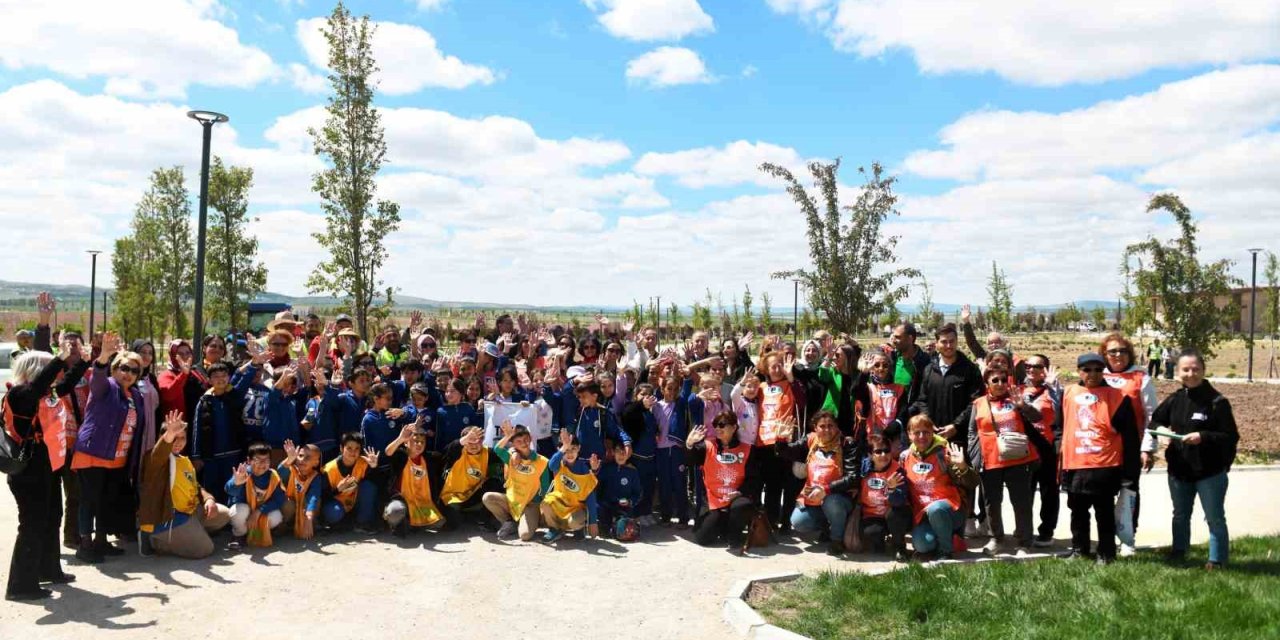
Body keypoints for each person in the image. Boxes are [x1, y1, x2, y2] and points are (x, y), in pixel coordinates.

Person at [4, 331, 85, 601]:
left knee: (52, 517)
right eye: (53, 368)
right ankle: (20, 586)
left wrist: (86, 360)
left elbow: (67, 385)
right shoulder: (20, 394)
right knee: (32, 523)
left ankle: (49, 570)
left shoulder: (45, 394)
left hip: (46, 466)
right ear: (38, 371)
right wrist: (60, 357)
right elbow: (39, 387)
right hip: (27, 471)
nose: (59, 373)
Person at [1150, 350, 1238, 569]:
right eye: (1185, 369)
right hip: (1179, 470)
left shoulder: (1217, 402)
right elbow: (1154, 422)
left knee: (1214, 517)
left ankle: (1216, 560)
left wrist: (1203, 436)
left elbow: (1230, 436)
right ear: (1178, 372)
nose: (1191, 374)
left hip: (1210, 472)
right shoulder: (1175, 399)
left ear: (1203, 371)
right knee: (1180, 515)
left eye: (1195, 369)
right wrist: (1161, 432)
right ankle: (1180, 551)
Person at [72, 332, 146, 564]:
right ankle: (85, 544)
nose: (129, 374)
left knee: (106, 501)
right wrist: (103, 357)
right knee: (89, 501)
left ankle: (101, 541)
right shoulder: (106, 386)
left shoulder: (134, 394)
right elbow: (97, 379)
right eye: (124, 368)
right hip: (93, 454)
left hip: (117, 459)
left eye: (135, 371)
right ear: (114, 369)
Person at [1061, 353, 1139, 565]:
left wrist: (1130, 470)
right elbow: (1060, 426)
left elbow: (1130, 436)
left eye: (1097, 369)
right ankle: (1079, 549)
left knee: (1103, 512)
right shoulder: (1068, 393)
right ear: (1079, 371)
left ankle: (1106, 553)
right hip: (1075, 464)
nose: (1092, 374)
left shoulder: (1117, 396)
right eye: (1087, 369)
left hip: (1105, 464)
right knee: (1077, 511)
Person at [958, 368, 1046, 555]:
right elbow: (972, 431)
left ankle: (1024, 541)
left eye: (1003, 380)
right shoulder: (978, 403)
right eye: (995, 380)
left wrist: (1022, 406)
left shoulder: (1017, 398)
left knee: (1021, 502)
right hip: (990, 461)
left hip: (1018, 459)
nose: (1000, 384)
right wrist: (975, 456)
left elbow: (1038, 418)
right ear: (987, 383)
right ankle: (996, 538)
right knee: (992, 502)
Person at [910, 323, 984, 536]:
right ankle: (937, 522)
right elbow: (922, 399)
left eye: (952, 341)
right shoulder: (929, 369)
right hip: (932, 437)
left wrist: (956, 425)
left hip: (959, 437)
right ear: (937, 343)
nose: (949, 345)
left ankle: (966, 520)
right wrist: (929, 424)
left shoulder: (968, 369)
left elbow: (975, 402)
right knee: (936, 479)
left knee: (962, 478)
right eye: (944, 341)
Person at [138, 410, 233, 559]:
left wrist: (209, 499)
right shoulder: (155, 459)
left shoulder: (185, 460)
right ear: (162, 437)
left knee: (225, 515)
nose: (178, 441)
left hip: (190, 511)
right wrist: (169, 435)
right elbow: (159, 453)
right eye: (174, 437)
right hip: (169, 517)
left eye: (182, 437)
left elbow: (197, 487)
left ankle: (189, 533)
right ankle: (154, 540)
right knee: (205, 549)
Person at [1097, 332, 1158, 556]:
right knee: (1103, 493)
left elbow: (1152, 415)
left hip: (1131, 446)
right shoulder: (1096, 375)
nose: (1118, 355)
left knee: (1129, 492)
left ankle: (1127, 539)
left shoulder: (1140, 377)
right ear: (1104, 354)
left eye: (1122, 350)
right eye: (1112, 351)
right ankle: (1105, 539)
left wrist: (1148, 448)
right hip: (1102, 447)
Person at [776, 411, 858, 555]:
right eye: (822, 426)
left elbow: (853, 478)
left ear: (836, 426)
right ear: (815, 428)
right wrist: (781, 440)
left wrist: (826, 489)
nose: (827, 430)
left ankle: (837, 540)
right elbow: (787, 453)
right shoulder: (810, 441)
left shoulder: (846, 443)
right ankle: (827, 528)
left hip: (839, 498)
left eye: (830, 426)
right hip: (812, 499)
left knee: (831, 502)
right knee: (799, 522)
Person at [901, 415, 978, 561]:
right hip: (923, 514)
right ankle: (952, 539)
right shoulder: (905, 457)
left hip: (950, 510)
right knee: (922, 545)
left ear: (933, 433)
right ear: (909, 435)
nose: (922, 436)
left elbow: (973, 483)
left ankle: (945, 551)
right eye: (917, 432)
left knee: (936, 509)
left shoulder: (945, 453)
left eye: (926, 432)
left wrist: (963, 467)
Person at [686, 411, 761, 552]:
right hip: (713, 497)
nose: (718, 428)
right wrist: (689, 444)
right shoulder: (707, 446)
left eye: (722, 424)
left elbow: (754, 479)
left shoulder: (747, 449)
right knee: (702, 538)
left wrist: (739, 493)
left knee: (741, 505)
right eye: (715, 425)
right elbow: (690, 461)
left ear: (734, 427)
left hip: (736, 496)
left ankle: (734, 537)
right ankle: (721, 522)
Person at [482, 421, 551, 541]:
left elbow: (545, 487)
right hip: (512, 500)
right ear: (513, 444)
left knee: (525, 535)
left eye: (525, 439)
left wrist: (541, 508)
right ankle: (510, 522)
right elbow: (497, 449)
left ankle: (531, 521)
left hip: (530, 504)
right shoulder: (510, 457)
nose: (523, 443)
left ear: (530, 439)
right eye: (518, 441)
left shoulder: (542, 461)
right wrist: (508, 436)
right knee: (488, 497)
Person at [1020, 354, 1062, 547]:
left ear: (1046, 368)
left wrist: (1054, 387)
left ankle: (1046, 531)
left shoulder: (1053, 389)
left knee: (1049, 492)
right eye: (1028, 365)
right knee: (1024, 491)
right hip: (1025, 448)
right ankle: (1024, 529)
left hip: (1047, 447)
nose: (1031, 369)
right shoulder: (1020, 389)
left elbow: (1061, 410)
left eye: (1037, 366)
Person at [381, 423, 446, 537]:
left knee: (439, 523)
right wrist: (400, 438)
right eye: (415, 441)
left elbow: (448, 453)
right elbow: (388, 452)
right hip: (401, 500)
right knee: (394, 512)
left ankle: (412, 523)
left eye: (422, 442)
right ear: (406, 443)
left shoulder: (429, 458)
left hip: (422, 502)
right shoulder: (401, 456)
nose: (419, 444)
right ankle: (397, 523)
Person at [856, 433, 911, 561]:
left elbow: (900, 501)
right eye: (878, 452)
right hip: (872, 514)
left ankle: (900, 547)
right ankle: (881, 541)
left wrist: (892, 489)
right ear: (870, 455)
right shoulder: (863, 469)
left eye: (886, 451)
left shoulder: (897, 470)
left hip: (896, 513)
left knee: (894, 515)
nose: (883, 455)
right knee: (871, 533)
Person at [437, 426, 504, 531]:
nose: (474, 445)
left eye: (477, 442)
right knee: (454, 522)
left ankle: (483, 520)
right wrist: (466, 438)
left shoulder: (487, 452)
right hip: (452, 496)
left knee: (494, 483)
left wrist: (513, 450)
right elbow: (448, 449)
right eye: (470, 442)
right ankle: (466, 515)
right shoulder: (457, 451)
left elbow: (505, 456)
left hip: (473, 493)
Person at [540, 431, 601, 542]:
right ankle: (554, 529)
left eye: (573, 449)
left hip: (576, 508)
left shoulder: (584, 469)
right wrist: (564, 447)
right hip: (560, 504)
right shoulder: (559, 464)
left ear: (579, 448)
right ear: (560, 449)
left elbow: (590, 497)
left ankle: (579, 529)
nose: (569, 453)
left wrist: (593, 522)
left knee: (574, 522)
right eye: (566, 450)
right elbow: (551, 465)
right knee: (546, 503)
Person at [225, 442, 285, 549]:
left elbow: (279, 499)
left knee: (276, 516)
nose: (263, 464)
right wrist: (237, 483)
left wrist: (259, 511)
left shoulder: (273, 476)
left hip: (261, 512)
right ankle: (239, 535)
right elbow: (229, 490)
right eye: (258, 460)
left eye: (266, 460)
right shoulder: (243, 473)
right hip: (245, 512)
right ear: (249, 461)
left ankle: (257, 533)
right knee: (238, 511)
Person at [321, 432, 380, 532]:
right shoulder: (329, 469)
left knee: (368, 486)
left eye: (357, 448)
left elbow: (376, 484)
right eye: (349, 448)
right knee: (333, 513)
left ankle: (362, 522)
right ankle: (337, 523)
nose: (353, 452)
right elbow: (322, 497)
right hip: (336, 503)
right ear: (341, 448)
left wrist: (374, 467)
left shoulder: (364, 463)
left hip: (355, 501)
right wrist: (337, 490)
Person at [277, 440, 323, 541]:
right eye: (301, 455)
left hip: (304, 510)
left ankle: (310, 525)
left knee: (317, 502)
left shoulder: (316, 476)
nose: (302, 460)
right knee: (289, 504)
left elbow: (314, 496)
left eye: (308, 458)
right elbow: (279, 471)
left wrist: (309, 514)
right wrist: (289, 459)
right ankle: (282, 526)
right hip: (289, 507)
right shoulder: (291, 469)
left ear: (316, 463)